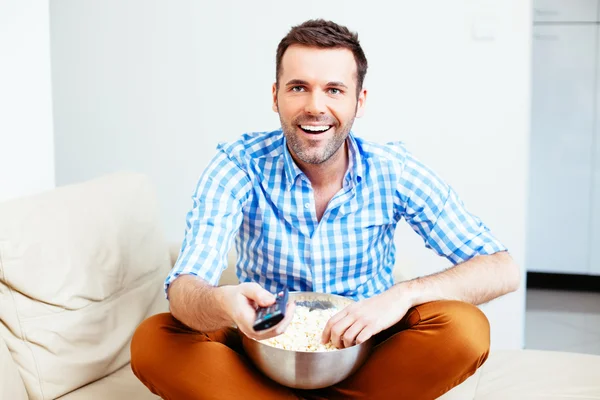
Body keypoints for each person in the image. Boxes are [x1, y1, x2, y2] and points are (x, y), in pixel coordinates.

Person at [130, 19, 520, 400]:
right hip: (262, 349)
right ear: (275, 95)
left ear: (359, 101)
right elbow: (185, 288)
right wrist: (224, 302)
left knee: (466, 329)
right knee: (154, 341)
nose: (315, 107)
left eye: (334, 90)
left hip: (365, 353)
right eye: (299, 87)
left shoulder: (393, 170)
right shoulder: (237, 165)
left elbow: (501, 267)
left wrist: (403, 295)